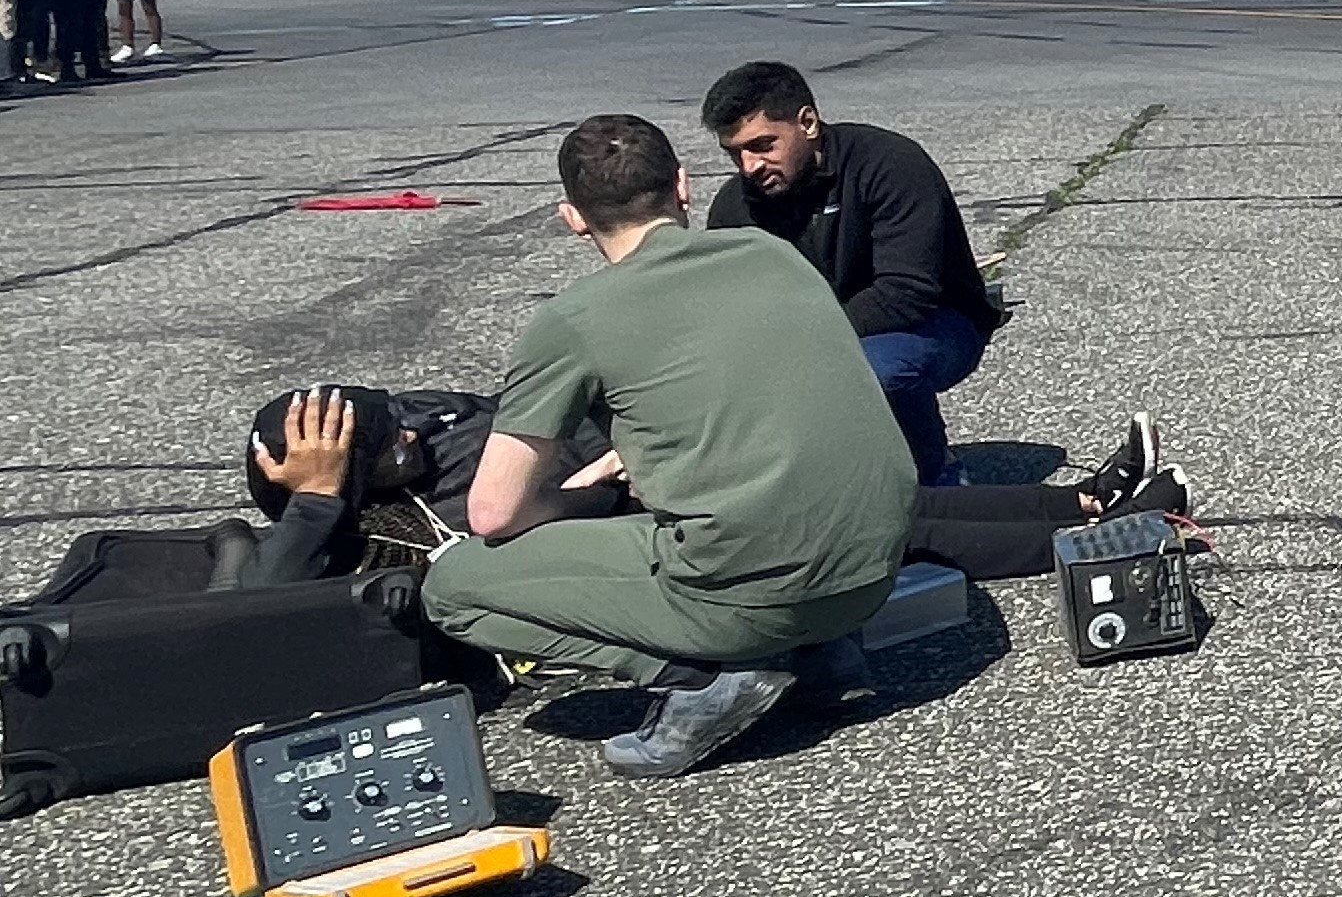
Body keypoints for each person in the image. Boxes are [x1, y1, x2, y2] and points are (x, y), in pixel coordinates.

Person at [420, 114, 919, 778]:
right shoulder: (773, 255)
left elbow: (492, 513)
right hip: (873, 571)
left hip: (753, 594)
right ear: (682, 187)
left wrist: (585, 501)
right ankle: (818, 651)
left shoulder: (572, 319)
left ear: (573, 218)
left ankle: (700, 676)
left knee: (453, 587)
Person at [244, 382, 1177, 592]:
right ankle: (1104, 534)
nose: (408, 431)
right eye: (381, 438)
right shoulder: (371, 528)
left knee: (879, 497)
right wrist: (320, 497)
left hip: (662, 476)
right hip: (641, 530)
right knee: (883, 529)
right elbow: (264, 618)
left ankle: (1091, 502)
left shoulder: (431, 433)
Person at [700, 61, 1002, 484]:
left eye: (763, 145)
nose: (750, 166)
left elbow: (906, 293)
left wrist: (801, 344)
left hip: (936, 322)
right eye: (735, 153)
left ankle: (936, 478)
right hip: (817, 335)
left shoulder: (888, 164)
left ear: (807, 123)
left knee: (876, 369)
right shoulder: (737, 206)